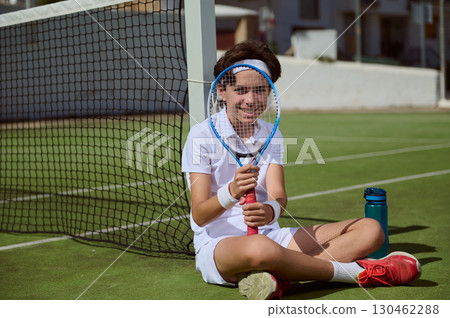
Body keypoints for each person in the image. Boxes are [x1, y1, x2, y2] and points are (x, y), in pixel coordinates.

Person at [181, 40, 421, 300]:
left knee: (371, 230)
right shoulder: (201, 135)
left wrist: (268, 210)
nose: (251, 100)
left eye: (261, 90)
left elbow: (279, 197)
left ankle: (279, 277)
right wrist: (231, 191)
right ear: (223, 92)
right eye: (241, 90)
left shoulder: (271, 134)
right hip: (219, 247)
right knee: (261, 250)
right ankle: (358, 274)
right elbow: (200, 215)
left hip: (271, 235)